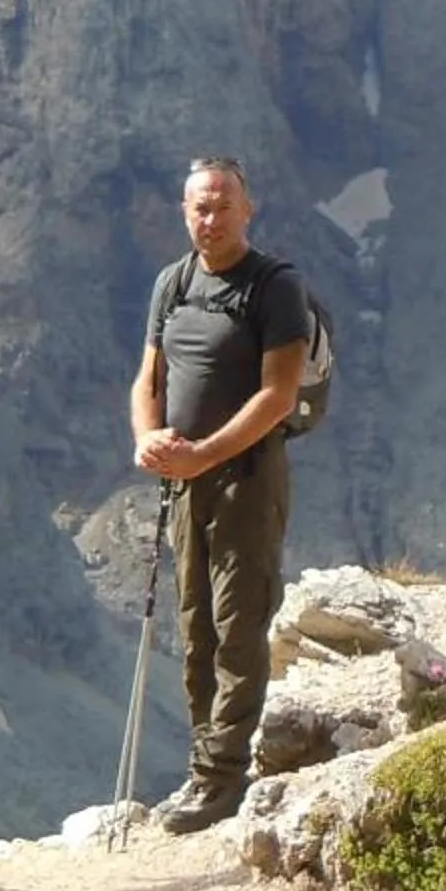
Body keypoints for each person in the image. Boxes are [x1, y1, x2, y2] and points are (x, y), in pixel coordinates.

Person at [128, 154, 309, 832]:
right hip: (187, 485)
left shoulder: (274, 287)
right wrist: (150, 440)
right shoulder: (171, 284)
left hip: (245, 480)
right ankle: (207, 764)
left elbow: (277, 395)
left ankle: (223, 778)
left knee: (239, 625)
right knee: (196, 626)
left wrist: (203, 454)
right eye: (199, 207)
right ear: (185, 212)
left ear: (246, 209)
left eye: (222, 205)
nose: (210, 218)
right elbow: (148, 379)